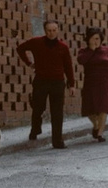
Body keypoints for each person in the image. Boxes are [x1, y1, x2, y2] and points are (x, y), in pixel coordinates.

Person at [17, 19, 76, 149]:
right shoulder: (36, 42)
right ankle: (35, 130)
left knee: (57, 112)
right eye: (49, 30)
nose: (51, 33)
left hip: (58, 83)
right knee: (38, 107)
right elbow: (20, 48)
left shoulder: (63, 47)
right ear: (45, 31)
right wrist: (29, 63)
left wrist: (71, 84)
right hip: (41, 81)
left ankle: (57, 141)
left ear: (58, 30)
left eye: (54, 30)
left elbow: (68, 66)